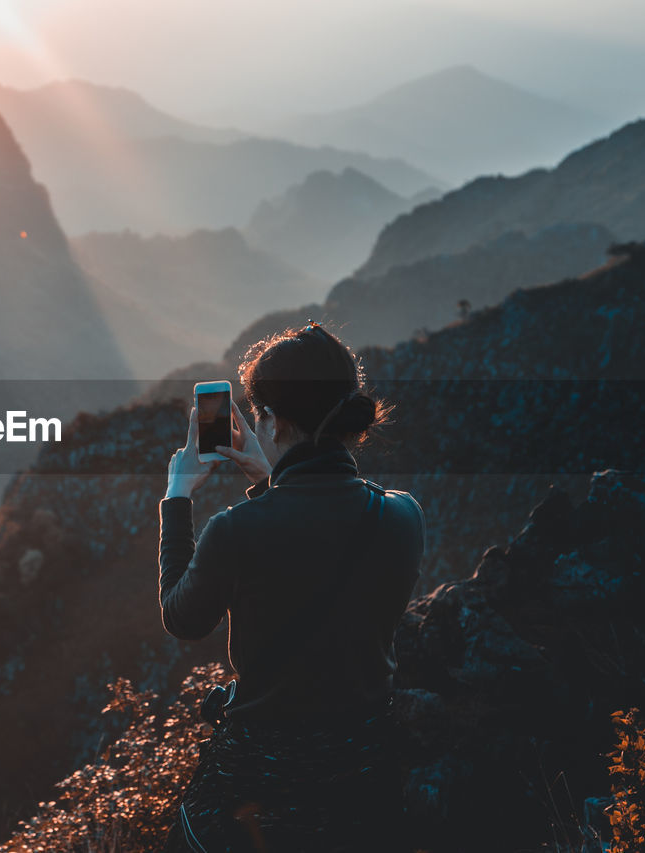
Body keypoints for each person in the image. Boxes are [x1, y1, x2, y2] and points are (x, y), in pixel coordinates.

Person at [157, 322, 425, 852]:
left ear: (273, 422)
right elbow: (318, 545)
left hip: (257, 785)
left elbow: (181, 618)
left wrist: (177, 497)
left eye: (259, 414)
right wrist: (268, 478)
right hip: (362, 787)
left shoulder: (235, 530)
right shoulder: (402, 516)